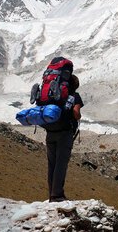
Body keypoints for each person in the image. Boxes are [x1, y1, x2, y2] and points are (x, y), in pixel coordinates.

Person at [45, 74, 83, 202]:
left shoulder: (55, 94)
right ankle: (58, 195)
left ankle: (52, 194)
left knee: (52, 164)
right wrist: (77, 115)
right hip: (64, 134)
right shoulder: (74, 96)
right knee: (61, 164)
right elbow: (76, 113)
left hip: (50, 131)